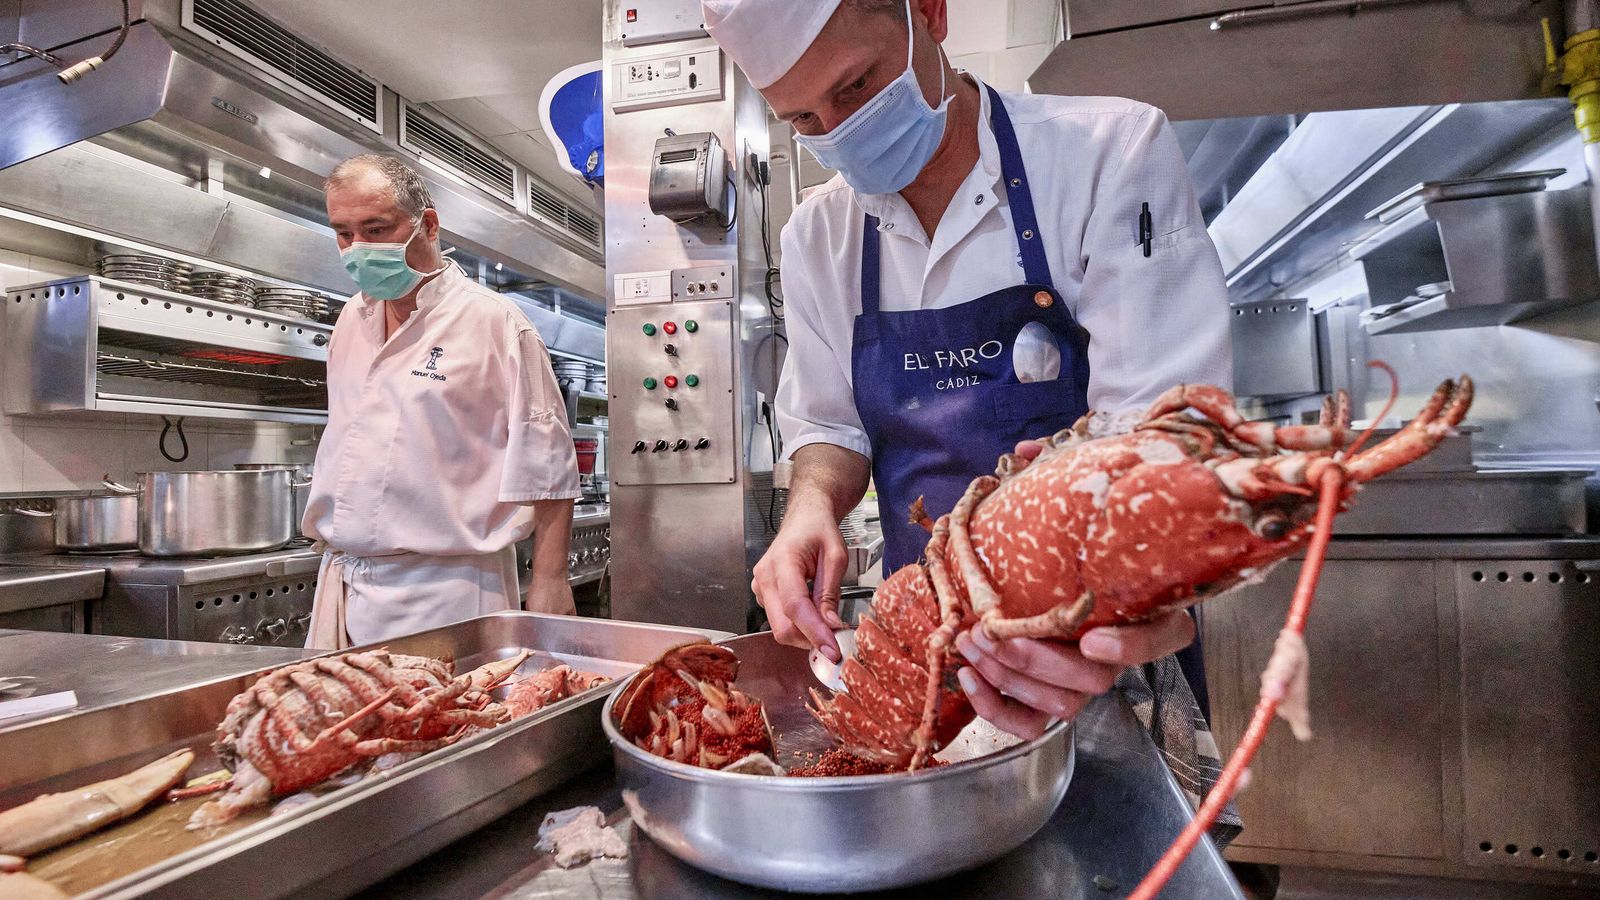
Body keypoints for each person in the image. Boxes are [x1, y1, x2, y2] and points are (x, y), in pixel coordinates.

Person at [702, 0, 1234, 740]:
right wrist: (808, 510)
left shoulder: (1106, 155)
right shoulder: (817, 235)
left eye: (855, 89)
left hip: (1088, 649)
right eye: (806, 121)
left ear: (929, 13)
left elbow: (1156, 437)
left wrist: (1128, 595)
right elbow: (829, 427)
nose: (841, 132)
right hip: (919, 661)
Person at [302, 154, 581, 649]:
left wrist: (551, 580)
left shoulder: (494, 322)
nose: (357, 249)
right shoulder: (351, 320)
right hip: (347, 586)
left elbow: (548, 464)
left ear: (427, 224)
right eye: (344, 233)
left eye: (376, 229)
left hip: (449, 591)